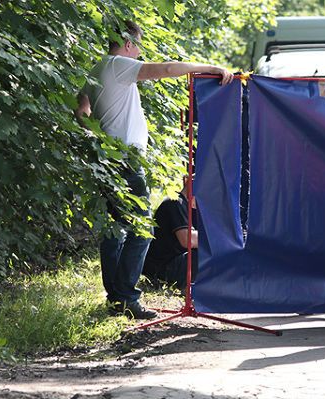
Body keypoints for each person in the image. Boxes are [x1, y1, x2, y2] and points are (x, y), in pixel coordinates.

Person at [75, 21, 233, 319]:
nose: (140, 54)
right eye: (139, 47)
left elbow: (81, 110)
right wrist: (211, 67)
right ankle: (126, 298)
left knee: (116, 230)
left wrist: (96, 141)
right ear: (129, 44)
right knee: (142, 228)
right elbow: (167, 70)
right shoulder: (118, 65)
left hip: (108, 160)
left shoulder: (96, 69)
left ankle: (117, 298)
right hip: (126, 160)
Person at [143, 175, 198, 289]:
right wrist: (218, 238)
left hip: (174, 263)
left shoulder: (190, 207)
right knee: (206, 254)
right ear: (187, 181)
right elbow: (188, 240)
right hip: (163, 268)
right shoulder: (175, 202)